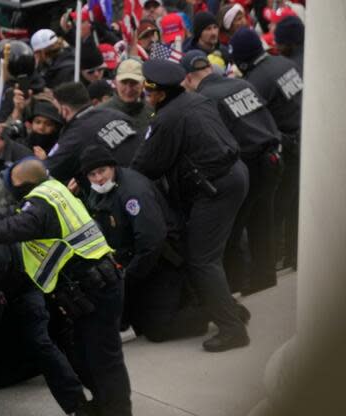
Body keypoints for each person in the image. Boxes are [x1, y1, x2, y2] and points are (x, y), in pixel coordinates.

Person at [0, 158, 133, 415]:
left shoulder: (40, 205)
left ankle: (118, 411)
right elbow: (13, 215)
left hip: (94, 286)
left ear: (24, 185)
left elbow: (14, 227)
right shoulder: (52, 190)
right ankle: (102, 405)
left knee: (104, 360)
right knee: (88, 356)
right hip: (92, 284)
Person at [131, 59, 250, 352]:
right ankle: (231, 311)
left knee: (202, 259)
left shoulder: (167, 118)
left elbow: (147, 164)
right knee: (211, 254)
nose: (147, 95)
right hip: (235, 175)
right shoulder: (197, 100)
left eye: (149, 90)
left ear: (159, 93)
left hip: (215, 188)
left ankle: (233, 330)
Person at [80, 145, 212, 342]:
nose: (98, 178)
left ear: (113, 167)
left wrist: (130, 276)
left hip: (161, 259)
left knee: (158, 329)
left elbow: (152, 239)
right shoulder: (99, 191)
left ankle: (215, 311)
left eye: (102, 171)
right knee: (141, 320)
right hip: (138, 258)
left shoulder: (133, 191)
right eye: (92, 174)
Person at [181, 49, 283, 295]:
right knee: (262, 222)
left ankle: (238, 286)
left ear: (188, 78)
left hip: (245, 166)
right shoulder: (241, 84)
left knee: (232, 232)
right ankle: (265, 279)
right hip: (272, 159)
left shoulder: (206, 99)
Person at [230, 27, 303, 270]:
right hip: (304, 140)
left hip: (287, 148)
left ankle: (272, 263)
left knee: (275, 211)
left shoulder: (255, 82)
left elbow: (254, 123)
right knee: (296, 207)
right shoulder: (284, 62)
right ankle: (294, 256)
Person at [47, 82, 139, 186]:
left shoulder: (74, 137)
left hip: (117, 191)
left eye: (57, 109)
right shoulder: (116, 114)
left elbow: (48, 171)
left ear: (65, 110)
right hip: (144, 179)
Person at [98, 59, 153, 131]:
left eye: (134, 83)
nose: (128, 89)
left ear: (143, 84)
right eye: (124, 82)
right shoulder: (100, 114)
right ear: (115, 83)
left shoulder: (153, 112)